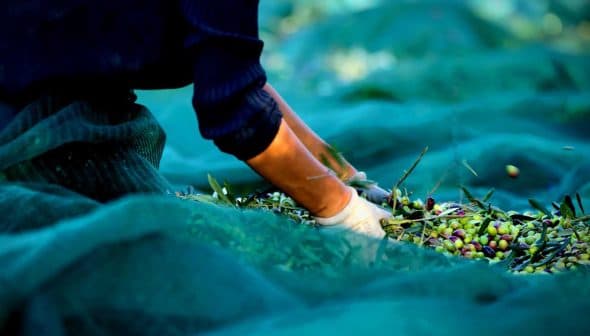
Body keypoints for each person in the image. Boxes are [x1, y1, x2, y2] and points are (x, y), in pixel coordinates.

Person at [0, 1, 391, 238]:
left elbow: (227, 69)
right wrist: (339, 209)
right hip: (33, 136)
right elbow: (233, 111)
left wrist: (343, 175)